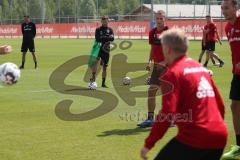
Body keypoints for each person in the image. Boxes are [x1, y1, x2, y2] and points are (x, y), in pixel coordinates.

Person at [140, 29, 228, 160]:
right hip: (220, 136)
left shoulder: (172, 73)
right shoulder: (200, 68)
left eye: (163, 47)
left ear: (168, 49)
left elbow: (167, 112)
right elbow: (220, 106)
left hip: (195, 137)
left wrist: (149, 143)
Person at [137, 10, 168, 128]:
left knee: (168, 93)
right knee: (151, 91)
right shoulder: (152, 32)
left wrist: (165, 62)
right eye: (157, 18)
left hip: (168, 67)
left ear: (165, 19)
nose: (159, 21)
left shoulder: (170, 33)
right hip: (156, 67)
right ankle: (150, 119)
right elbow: (153, 49)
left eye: (161, 18)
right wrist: (150, 62)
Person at [221, 0, 240, 159]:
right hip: (238, 73)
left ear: (236, 8)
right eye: (222, 8)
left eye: (226, 8)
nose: (223, 11)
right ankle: (239, 145)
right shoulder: (228, 28)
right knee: (235, 106)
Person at [90, 16, 114, 88]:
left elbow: (112, 38)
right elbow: (97, 39)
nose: (105, 21)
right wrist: (106, 37)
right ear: (101, 21)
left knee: (105, 67)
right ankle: (93, 77)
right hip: (98, 49)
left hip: (106, 50)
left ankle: (103, 83)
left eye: (106, 20)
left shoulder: (110, 29)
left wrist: (103, 37)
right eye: (103, 20)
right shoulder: (98, 29)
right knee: (95, 63)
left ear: (108, 21)